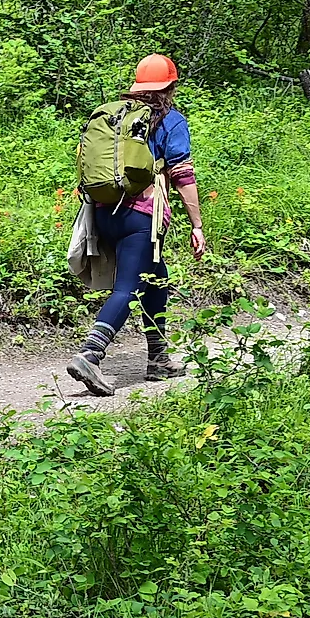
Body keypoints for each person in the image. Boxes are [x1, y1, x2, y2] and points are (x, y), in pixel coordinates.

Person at [69, 54, 207, 395]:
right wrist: (197, 224)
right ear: (171, 86)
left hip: (104, 211)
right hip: (141, 215)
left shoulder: (113, 116)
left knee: (156, 278)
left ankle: (158, 358)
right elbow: (182, 174)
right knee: (128, 287)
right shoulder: (170, 121)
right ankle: (90, 354)